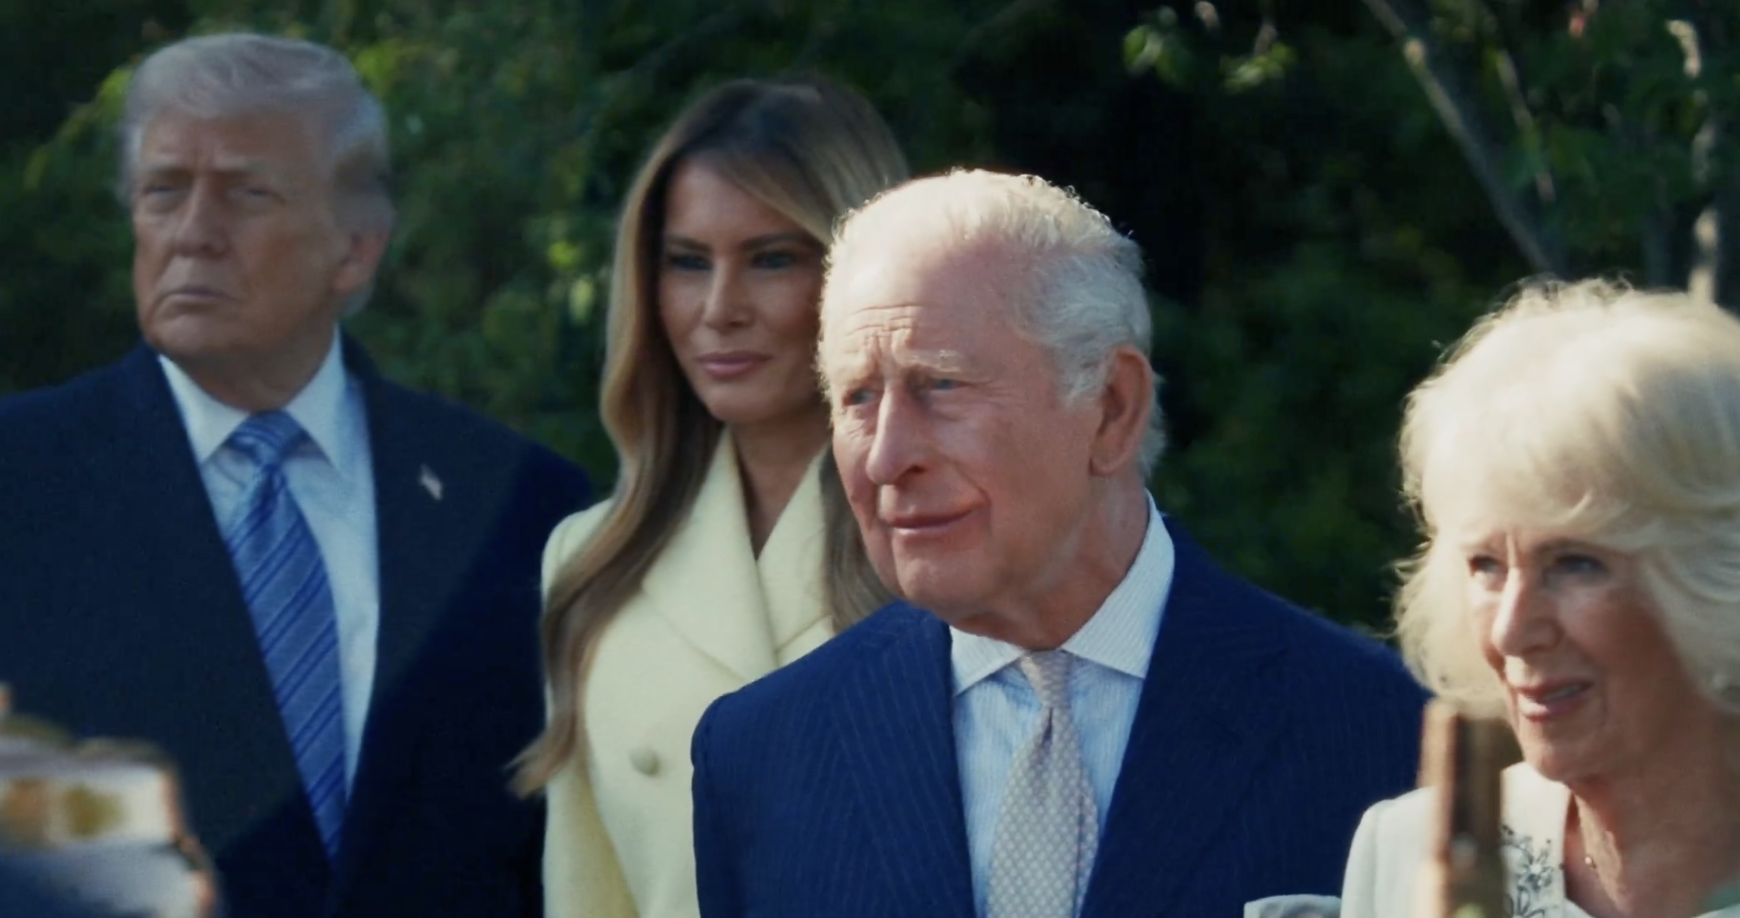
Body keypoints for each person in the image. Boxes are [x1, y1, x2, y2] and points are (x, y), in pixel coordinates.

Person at [688, 169, 1429, 918]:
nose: (885, 457)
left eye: (939, 386)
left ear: (1111, 409)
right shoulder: (761, 756)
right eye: (857, 398)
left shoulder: (1380, 730)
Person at [0, 33, 591, 918]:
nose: (193, 233)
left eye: (246, 194)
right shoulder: (21, 482)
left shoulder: (522, 505)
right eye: (164, 191)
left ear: (355, 249)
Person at [510, 77, 908, 918]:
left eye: (772, 259)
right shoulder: (590, 564)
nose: (719, 310)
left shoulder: (952, 539)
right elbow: (587, 898)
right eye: (688, 263)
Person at [1338, 278, 1740, 918]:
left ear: (1716, 577)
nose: (1511, 631)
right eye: (1486, 566)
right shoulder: (1409, 853)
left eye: (1576, 564)